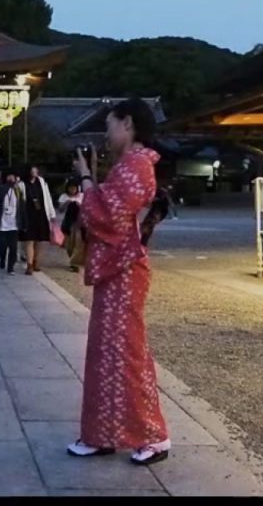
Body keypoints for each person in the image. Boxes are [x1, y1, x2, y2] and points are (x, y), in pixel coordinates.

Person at [66, 97, 171, 466]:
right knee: (107, 352)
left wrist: (84, 178)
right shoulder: (132, 165)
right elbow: (109, 210)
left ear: (127, 124)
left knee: (126, 352)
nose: (108, 134)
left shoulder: (136, 166)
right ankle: (102, 433)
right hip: (119, 269)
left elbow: (106, 214)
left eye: (111, 125)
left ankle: (154, 435)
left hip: (125, 272)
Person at [18, 165, 56, 275]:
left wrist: (51, 213)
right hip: (28, 214)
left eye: (36, 170)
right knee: (29, 239)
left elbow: (47, 197)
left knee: (40, 240)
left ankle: (36, 260)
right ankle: (29, 264)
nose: (35, 171)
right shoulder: (21, 184)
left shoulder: (42, 182)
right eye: (32, 170)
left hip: (41, 213)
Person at [0, 167, 24, 276]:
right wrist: (7, 186)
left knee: (13, 247)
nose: (11, 178)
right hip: (2, 222)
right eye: (9, 176)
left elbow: (22, 204)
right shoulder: (1, 187)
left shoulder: (18, 189)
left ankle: (11, 267)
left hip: (14, 222)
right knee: (2, 245)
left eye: (13, 176)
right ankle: (2, 258)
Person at [59, 179, 87, 273]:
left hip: (79, 222)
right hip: (68, 222)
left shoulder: (82, 196)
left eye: (74, 188)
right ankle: (72, 259)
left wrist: (79, 205)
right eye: (71, 188)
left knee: (78, 242)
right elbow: (60, 209)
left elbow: (86, 208)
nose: (72, 190)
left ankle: (75, 263)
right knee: (69, 243)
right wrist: (67, 203)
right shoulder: (64, 197)